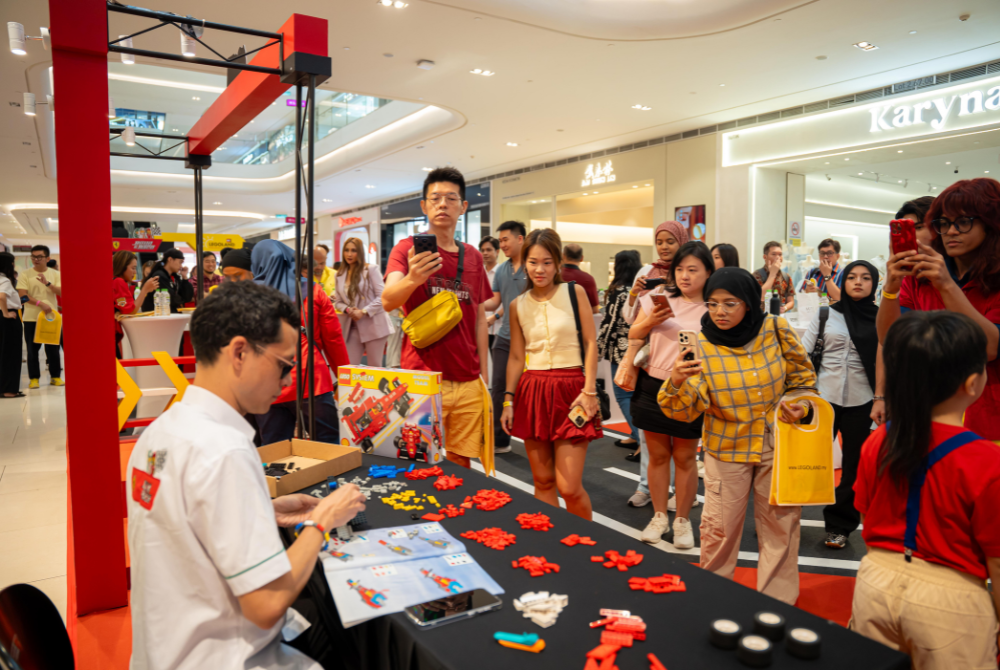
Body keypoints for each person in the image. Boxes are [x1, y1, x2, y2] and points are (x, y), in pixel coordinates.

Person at [127, 280, 367, 670]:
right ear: (239, 352)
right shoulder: (225, 451)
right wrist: (322, 521)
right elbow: (266, 605)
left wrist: (262, 509)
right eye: (284, 365)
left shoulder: (159, 432)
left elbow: (181, 521)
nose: (288, 380)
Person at [851, 311, 1000, 669]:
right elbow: (996, 559)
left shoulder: (879, 441)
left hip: (875, 581)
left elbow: (866, 515)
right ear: (973, 383)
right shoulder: (986, 459)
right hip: (952, 600)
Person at [660, 267, 818, 604]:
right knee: (719, 532)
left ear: (748, 302)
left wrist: (800, 405)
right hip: (726, 450)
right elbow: (684, 411)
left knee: (781, 530)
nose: (720, 312)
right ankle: (714, 604)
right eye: (712, 303)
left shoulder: (775, 328)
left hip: (777, 446)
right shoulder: (701, 345)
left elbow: (803, 378)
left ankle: (777, 606)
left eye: (730, 303)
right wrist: (676, 382)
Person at [383, 167, 493, 469]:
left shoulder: (473, 256)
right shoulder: (407, 249)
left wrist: (483, 374)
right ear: (424, 205)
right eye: (435, 198)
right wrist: (413, 278)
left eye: (451, 198)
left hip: (468, 378)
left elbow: (479, 318)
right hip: (423, 376)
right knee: (419, 460)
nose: (442, 204)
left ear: (463, 206)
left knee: (461, 462)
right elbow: (388, 300)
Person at [877, 178, 1000, 441]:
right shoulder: (921, 276)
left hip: (988, 420)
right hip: (928, 414)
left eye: (963, 222)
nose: (951, 231)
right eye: (943, 223)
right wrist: (890, 288)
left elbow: (989, 348)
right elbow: (890, 339)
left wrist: (946, 285)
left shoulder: (951, 278)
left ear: (991, 224)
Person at [500, 229, 601, 520]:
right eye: (533, 262)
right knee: (543, 482)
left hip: (573, 391)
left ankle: (586, 539)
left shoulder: (574, 292)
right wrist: (508, 400)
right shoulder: (517, 305)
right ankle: (552, 540)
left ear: (557, 263)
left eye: (547, 262)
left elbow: (590, 342)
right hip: (533, 390)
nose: (540, 269)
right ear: (525, 263)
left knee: (569, 487)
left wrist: (590, 391)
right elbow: (516, 357)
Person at [618, 242, 713, 548]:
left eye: (693, 270)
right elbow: (633, 333)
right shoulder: (658, 297)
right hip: (653, 386)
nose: (685, 276)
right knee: (658, 457)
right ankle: (659, 516)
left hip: (690, 390)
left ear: (708, 272)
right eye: (680, 269)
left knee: (685, 458)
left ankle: (682, 521)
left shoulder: (714, 306)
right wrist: (651, 321)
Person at [800, 261, 878, 549]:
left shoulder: (881, 319)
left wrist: (881, 399)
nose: (858, 282)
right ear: (842, 283)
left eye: (865, 278)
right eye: (852, 277)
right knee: (806, 462)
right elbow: (803, 354)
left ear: (874, 284)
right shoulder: (825, 314)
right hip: (823, 399)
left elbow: (887, 361)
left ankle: (840, 526)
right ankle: (784, 517)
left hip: (863, 400)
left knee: (854, 469)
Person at [250, 241, 350, 445]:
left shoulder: (247, 297)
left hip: (265, 382)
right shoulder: (314, 291)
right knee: (327, 443)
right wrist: (344, 374)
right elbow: (333, 337)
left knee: (275, 449)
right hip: (311, 377)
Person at [871, 196, 938, 427]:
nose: (913, 237)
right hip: (919, 391)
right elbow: (889, 339)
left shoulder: (966, 274)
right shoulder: (910, 279)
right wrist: (891, 287)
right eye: (905, 230)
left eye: (918, 227)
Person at [482, 221, 527, 455]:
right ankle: (500, 439)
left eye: (505, 240)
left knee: (528, 389)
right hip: (505, 336)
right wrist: (473, 303)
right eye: (500, 241)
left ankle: (537, 436)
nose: (502, 245)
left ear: (520, 239)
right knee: (498, 387)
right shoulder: (501, 270)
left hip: (532, 340)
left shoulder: (533, 267)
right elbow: (494, 301)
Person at [597, 251, 643, 461]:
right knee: (634, 394)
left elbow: (610, 324)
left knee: (622, 394)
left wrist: (598, 351)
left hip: (620, 350)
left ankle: (640, 439)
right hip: (638, 348)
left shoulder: (618, 291)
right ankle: (635, 435)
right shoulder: (639, 290)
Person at [334, 237, 393, 367]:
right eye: (346, 250)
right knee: (349, 367)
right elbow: (338, 301)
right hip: (352, 326)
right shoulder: (339, 275)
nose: (349, 254)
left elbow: (382, 296)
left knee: (374, 368)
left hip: (374, 325)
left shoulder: (371, 269)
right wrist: (348, 309)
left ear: (360, 252)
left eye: (353, 250)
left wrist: (364, 311)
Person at [16, 244, 63, 389]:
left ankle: (55, 377)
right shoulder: (25, 274)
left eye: (39, 257)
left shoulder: (55, 274)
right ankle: (34, 378)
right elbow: (23, 297)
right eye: (33, 257)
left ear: (47, 258)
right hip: (31, 318)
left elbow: (62, 292)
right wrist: (40, 304)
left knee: (53, 349)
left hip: (51, 318)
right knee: (32, 350)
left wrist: (48, 284)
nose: (36, 259)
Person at [623, 221, 689, 324]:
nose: (664, 247)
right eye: (659, 243)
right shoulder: (646, 271)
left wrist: (673, 288)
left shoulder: (687, 272)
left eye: (670, 242)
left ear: (682, 242)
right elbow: (629, 319)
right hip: (645, 330)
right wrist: (633, 294)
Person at [112, 250, 159, 358]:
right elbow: (130, 311)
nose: (134, 272)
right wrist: (144, 290)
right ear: (122, 266)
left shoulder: (115, 280)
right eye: (133, 268)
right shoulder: (118, 281)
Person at [142, 248, 194, 313]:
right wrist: (181, 299)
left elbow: (187, 297)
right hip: (158, 315)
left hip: (168, 314)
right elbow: (171, 299)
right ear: (170, 259)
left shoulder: (174, 277)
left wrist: (184, 277)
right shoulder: (159, 276)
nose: (181, 266)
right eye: (180, 262)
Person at [0, 252, 23, 398]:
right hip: (8, 320)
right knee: (11, 354)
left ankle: (4, 387)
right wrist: (6, 313)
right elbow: (2, 296)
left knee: (3, 353)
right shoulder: (4, 280)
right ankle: (9, 390)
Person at [753, 241, 795, 312]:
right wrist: (772, 273)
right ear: (765, 257)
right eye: (774, 254)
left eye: (780, 254)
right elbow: (761, 297)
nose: (778, 257)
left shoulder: (786, 276)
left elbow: (791, 301)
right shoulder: (757, 275)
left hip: (780, 316)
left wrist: (784, 308)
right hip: (762, 316)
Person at [561, 244, 600, 314]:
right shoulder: (588, 279)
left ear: (563, 256)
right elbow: (595, 309)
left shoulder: (555, 276)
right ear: (582, 258)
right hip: (579, 320)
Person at [480, 236, 500, 350]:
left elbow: (509, 301)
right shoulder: (479, 272)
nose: (485, 253)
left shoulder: (502, 272)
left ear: (497, 252)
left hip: (498, 327)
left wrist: (495, 317)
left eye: (488, 250)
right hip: (481, 327)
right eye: (482, 250)